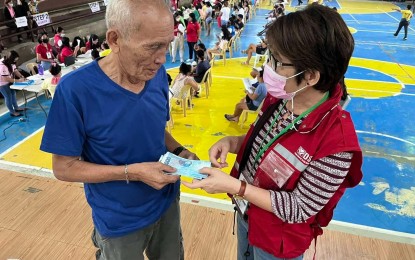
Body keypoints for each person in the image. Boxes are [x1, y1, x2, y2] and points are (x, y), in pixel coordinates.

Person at [183, 5, 362, 260]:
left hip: (278, 240)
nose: (267, 67)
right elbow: (265, 143)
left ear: (310, 76)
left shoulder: (337, 143)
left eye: (276, 62)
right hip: (247, 215)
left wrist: (237, 187)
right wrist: (233, 142)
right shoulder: (282, 98)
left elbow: (300, 208)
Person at [40, 1, 199, 259]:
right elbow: (63, 168)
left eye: (167, 45)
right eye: (152, 47)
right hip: (119, 221)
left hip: (166, 202)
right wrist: (132, 173)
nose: (162, 58)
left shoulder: (156, 74)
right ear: (114, 39)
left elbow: (155, 128)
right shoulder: (75, 91)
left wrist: (180, 150)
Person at [0, 50, 27, 117]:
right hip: (2, 83)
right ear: (11, 59)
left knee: (13, 94)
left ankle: (16, 108)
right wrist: (18, 81)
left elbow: (15, 70)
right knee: (8, 96)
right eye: (14, 60)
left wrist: (21, 76)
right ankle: (12, 112)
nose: (15, 62)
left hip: (10, 80)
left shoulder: (11, 62)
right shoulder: (2, 65)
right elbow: (5, 78)